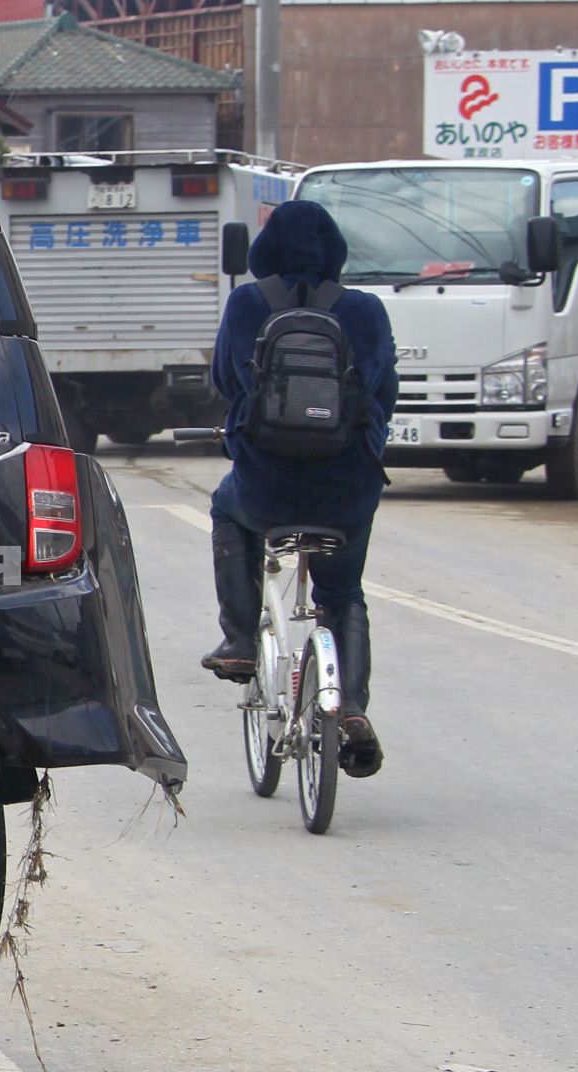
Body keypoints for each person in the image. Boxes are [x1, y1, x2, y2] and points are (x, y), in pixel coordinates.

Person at [201, 200, 396, 778]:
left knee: (225, 508)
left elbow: (222, 380)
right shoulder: (364, 310)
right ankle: (352, 707)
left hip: (266, 486)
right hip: (348, 489)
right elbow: (383, 393)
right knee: (344, 595)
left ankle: (238, 638)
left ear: (267, 252)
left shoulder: (246, 303)